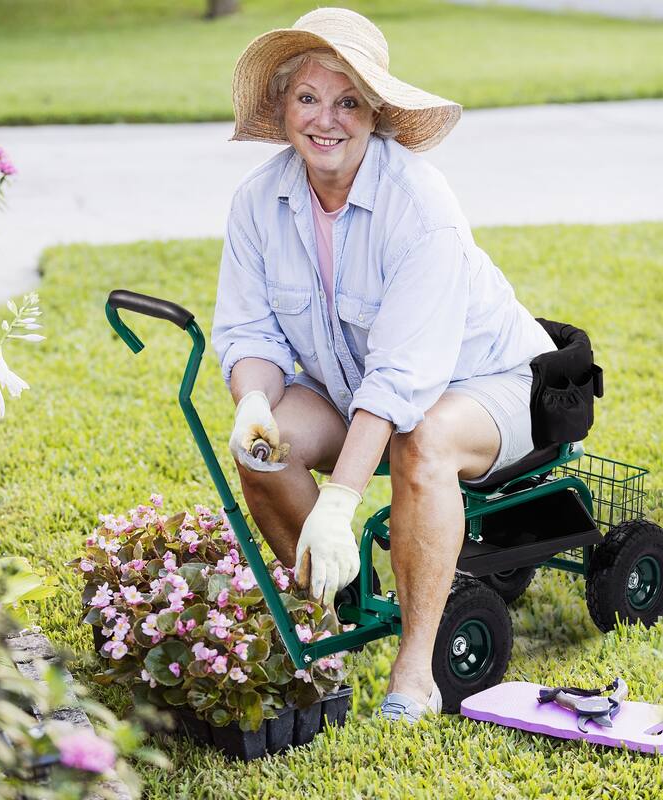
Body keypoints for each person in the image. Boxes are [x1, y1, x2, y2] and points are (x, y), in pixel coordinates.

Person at [211, 7, 556, 724]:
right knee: (263, 448)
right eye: (309, 97)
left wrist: (339, 500)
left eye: (348, 100)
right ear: (283, 107)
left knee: (419, 439)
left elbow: (403, 381)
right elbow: (250, 333)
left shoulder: (420, 206)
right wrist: (251, 401)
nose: (326, 119)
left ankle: (416, 669)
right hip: (355, 385)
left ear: (376, 113)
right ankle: (337, 609)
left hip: (490, 384)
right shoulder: (258, 202)